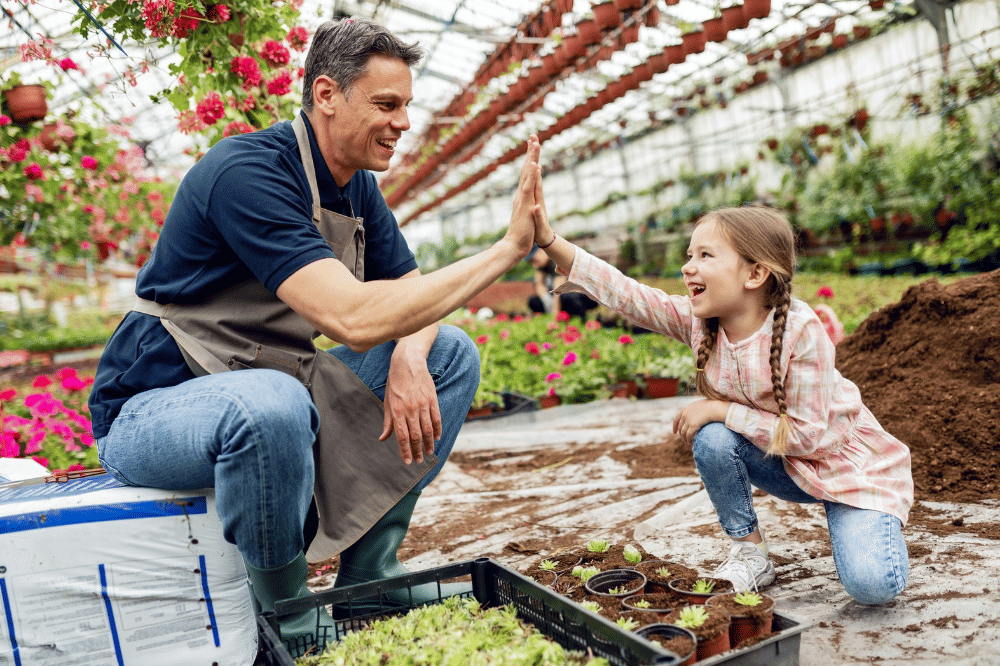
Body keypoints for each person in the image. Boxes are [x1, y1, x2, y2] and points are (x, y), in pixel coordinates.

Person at [89, 16, 542, 642]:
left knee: (449, 356)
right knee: (269, 406)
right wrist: (506, 250)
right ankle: (287, 614)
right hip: (156, 404)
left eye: (407, 105)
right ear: (327, 95)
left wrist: (409, 360)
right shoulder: (245, 171)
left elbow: (412, 293)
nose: (404, 122)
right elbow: (351, 319)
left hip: (271, 386)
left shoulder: (356, 190)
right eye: (387, 104)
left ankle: (368, 577)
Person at [529, 197, 912, 605]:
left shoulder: (802, 332)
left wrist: (721, 409)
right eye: (689, 254)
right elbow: (629, 294)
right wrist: (549, 240)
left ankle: (872, 522)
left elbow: (807, 437)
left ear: (755, 273)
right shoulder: (699, 323)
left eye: (705, 255)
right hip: (783, 464)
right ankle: (751, 552)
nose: (687, 266)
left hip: (843, 470)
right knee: (713, 438)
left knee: (873, 587)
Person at [526, 244, 598, 320]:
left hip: (591, 295)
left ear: (542, 251)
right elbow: (539, 284)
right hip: (570, 293)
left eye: (534, 260)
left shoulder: (558, 258)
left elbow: (558, 291)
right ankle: (566, 315)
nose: (534, 265)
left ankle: (581, 320)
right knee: (534, 301)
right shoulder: (543, 264)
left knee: (566, 296)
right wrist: (545, 298)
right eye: (531, 262)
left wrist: (554, 318)